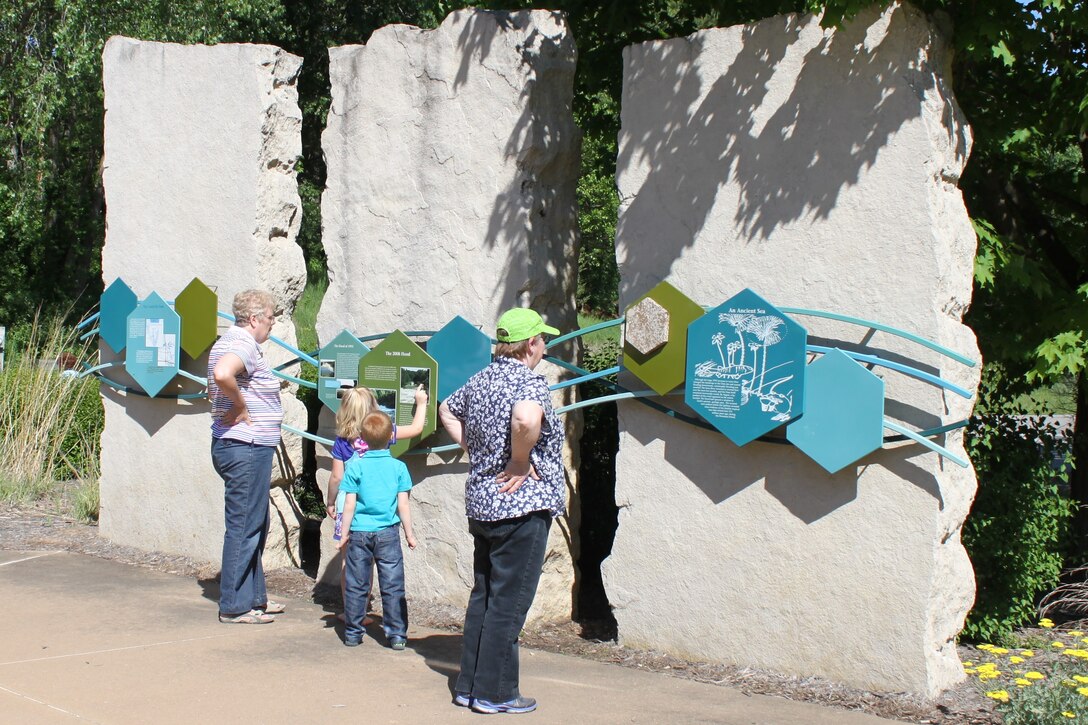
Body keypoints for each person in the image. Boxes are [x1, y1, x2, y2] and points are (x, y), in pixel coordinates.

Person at [438, 307, 566, 715]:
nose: (545, 346)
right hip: (520, 506)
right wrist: (517, 458)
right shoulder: (529, 382)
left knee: (485, 597)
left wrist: (474, 450)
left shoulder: (481, 380)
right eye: (543, 339)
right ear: (530, 344)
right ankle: (496, 694)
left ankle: (468, 687)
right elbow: (526, 418)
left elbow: (446, 410)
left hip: (482, 504)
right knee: (508, 605)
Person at [208, 289, 284, 624]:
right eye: (270, 317)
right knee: (244, 525)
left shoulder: (229, 341)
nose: (272, 324)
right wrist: (240, 406)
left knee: (255, 521)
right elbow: (223, 374)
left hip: (241, 446)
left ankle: (254, 598)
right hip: (246, 447)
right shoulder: (242, 344)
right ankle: (235, 606)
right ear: (254, 319)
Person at [327, 384, 428, 624]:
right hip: (377, 508)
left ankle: (353, 612)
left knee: (348, 561)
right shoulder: (382, 433)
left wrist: (330, 501)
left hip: (349, 507)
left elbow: (337, 477)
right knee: (371, 561)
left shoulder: (342, 441)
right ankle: (363, 608)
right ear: (373, 409)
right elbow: (415, 428)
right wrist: (421, 403)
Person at [335, 410, 418, 648]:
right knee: (392, 584)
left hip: (359, 533)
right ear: (391, 435)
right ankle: (397, 635)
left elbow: (349, 504)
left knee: (357, 583)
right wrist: (409, 534)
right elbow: (403, 504)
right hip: (388, 533)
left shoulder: (355, 467)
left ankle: (353, 632)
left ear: (362, 436)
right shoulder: (399, 468)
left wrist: (343, 533)